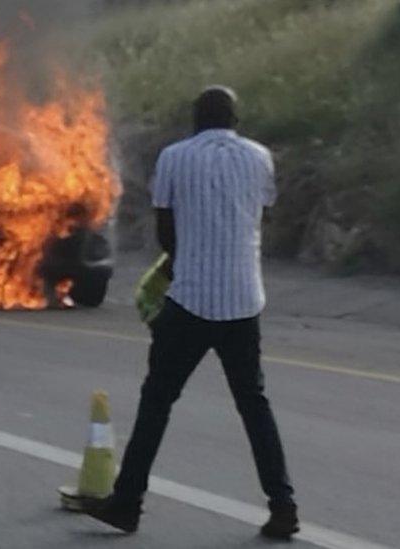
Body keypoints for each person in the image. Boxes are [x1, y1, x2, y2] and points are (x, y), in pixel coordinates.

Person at [84, 86, 299, 539]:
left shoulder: (174, 158)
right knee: (253, 404)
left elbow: (167, 234)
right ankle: (284, 507)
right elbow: (262, 217)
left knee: (157, 402)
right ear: (235, 120)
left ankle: (126, 504)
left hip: (192, 299)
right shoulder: (260, 157)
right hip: (244, 301)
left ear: (195, 120)